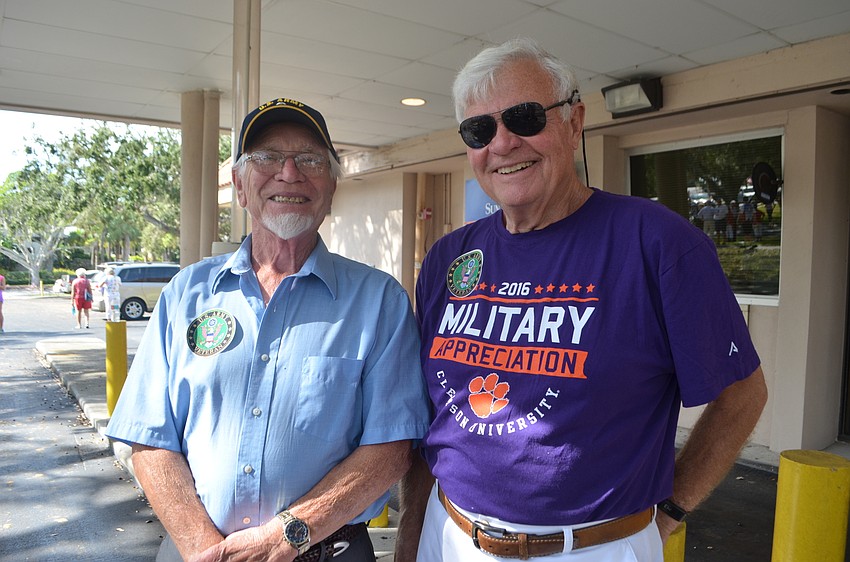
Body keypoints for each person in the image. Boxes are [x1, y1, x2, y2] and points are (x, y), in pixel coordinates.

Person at [396, 38, 767, 562]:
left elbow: (742, 395)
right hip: (448, 534)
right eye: (479, 129)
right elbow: (428, 419)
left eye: (524, 117)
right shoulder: (448, 259)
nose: (501, 144)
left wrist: (670, 511)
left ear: (574, 123)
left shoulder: (657, 242)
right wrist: (413, 536)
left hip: (592, 548)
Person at [106, 97, 431, 562]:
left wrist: (284, 537)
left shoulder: (380, 301)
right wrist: (205, 550)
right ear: (240, 185)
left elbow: (392, 449)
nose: (289, 173)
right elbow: (149, 438)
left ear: (332, 187)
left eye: (310, 160)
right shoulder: (187, 294)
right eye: (267, 158)